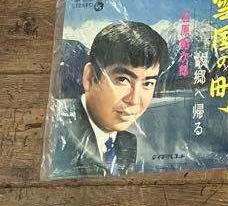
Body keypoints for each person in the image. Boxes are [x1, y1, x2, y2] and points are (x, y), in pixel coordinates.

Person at [49, 21, 169, 178]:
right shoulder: (57, 137)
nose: (134, 100)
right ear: (90, 78)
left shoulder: (127, 141)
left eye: (147, 83)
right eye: (123, 79)